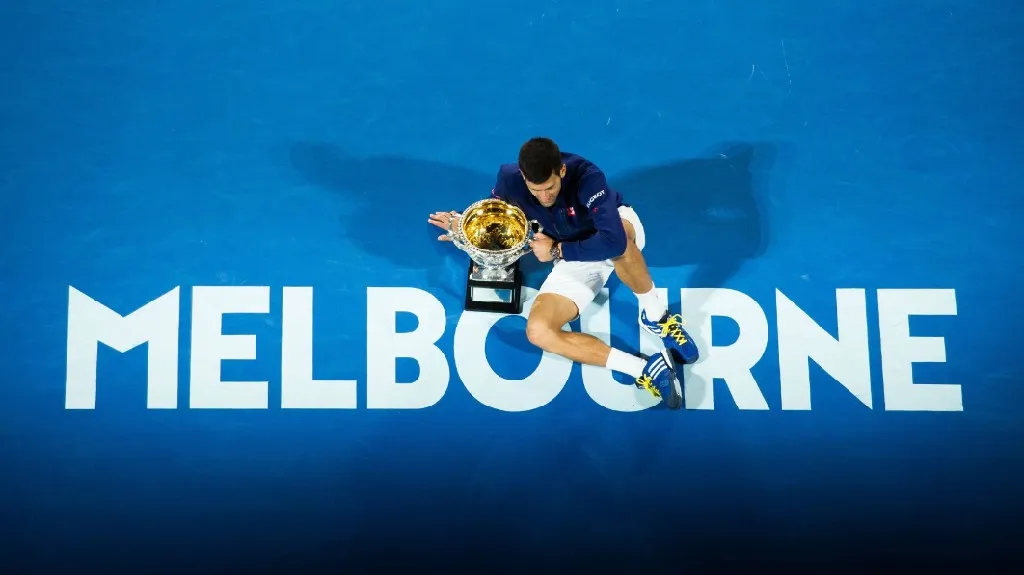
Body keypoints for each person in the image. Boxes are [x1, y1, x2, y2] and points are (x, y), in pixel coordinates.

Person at [428, 137, 699, 409]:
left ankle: (655, 316)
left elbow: (613, 241)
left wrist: (557, 250)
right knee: (539, 331)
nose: (544, 197)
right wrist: (465, 226)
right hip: (573, 258)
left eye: (550, 187)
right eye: (536, 190)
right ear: (523, 177)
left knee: (623, 244)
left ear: (562, 171)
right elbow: (499, 214)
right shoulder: (509, 178)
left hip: (605, 234)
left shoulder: (588, 176)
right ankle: (644, 369)